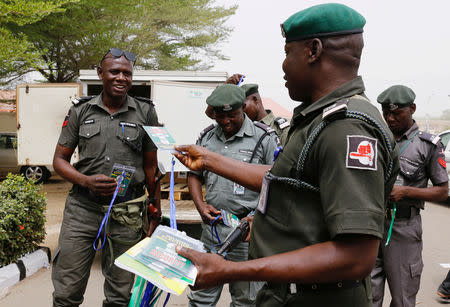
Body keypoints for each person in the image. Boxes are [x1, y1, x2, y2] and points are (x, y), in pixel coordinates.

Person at [173, 3, 399, 307]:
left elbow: (355, 256)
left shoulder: (345, 128)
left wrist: (232, 271)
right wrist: (209, 159)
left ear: (313, 50)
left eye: (287, 52)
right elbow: (282, 179)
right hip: (292, 293)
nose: (282, 65)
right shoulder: (318, 120)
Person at [51, 48, 161, 307]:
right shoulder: (81, 110)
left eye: (127, 73)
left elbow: (151, 167)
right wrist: (85, 181)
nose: (121, 78)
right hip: (82, 210)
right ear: (100, 73)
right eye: (114, 72)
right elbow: (59, 161)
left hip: (127, 213)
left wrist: (155, 210)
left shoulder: (146, 112)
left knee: (120, 295)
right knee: (66, 292)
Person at [188, 84, 279, 307]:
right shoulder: (207, 137)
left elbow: (277, 185)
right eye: (220, 116)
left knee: (246, 300)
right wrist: (201, 206)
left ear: (243, 109)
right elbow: (194, 175)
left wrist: (258, 219)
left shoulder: (264, 137)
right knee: (201, 297)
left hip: (246, 235)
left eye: (232, 116)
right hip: (213, 231)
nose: (225, 121)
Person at [371, 85, 448, 307]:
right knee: (368, 296)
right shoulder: (377, 139)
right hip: (373, 225)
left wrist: (406, 192)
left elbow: (443, 190)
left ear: (412, 109)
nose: (390, 118)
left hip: (404, 228)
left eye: (397, 113)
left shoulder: (427, 145)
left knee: (403, 297)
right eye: (386, 113)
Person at [226, 74, 290, 138]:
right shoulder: (239, 128)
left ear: (255, 100)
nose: (240, 112)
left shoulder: (280, 129)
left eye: (243, 106)